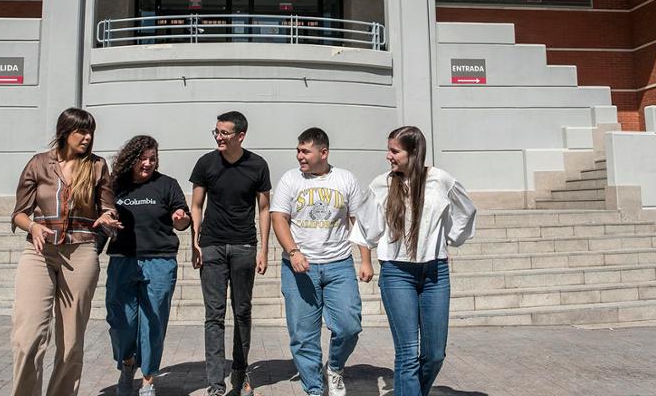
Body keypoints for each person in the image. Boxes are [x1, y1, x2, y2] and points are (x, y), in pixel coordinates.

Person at [352, 126, 477, 396]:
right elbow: (365, 227)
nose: (388, 156)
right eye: (389, 150)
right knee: (408, 353)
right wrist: (366, 260)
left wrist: (450, 237)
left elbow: (467, 209)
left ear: (414, 152)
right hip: (397, 273)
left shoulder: (440, 179)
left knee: (434, 355)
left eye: (394, 151)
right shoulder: (381, 184)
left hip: (435, 273)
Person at [10, 107, 121, 396]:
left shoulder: (97, 166)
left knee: (71, 343)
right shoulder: (38, 164)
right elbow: (19, 214)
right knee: (28, 337)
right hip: (39, 252)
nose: (87, 137)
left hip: (82, 252)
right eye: (81, 131)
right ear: (65, 133)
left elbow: (108, 208)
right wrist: (32, 227)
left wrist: (107, 219)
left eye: (90, 132)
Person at [270, 127, 373, 396]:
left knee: (350, 326)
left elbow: (356, 221)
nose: (299, 156)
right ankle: (314, 390)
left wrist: (365, 260)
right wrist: (293, 252)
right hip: (299, 268)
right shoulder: (290, 180)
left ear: (323, 152)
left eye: (305, 151)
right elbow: (278, 218)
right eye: (298, 150)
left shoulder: (345, 179)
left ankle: (335, 367)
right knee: (304, 335)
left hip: (339, 265)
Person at [190, 110, 271, 396]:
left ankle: (240, 371)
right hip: (211, 246)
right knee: (214, 314)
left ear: (240, 135)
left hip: (244, 247)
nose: (219, 137)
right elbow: (197, 205)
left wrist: (263, 249)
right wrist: (194, 241)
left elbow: (263, 209)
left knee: (242, 311)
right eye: (216, 132)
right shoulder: (206, 163)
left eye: (224, 133)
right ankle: (215, 384)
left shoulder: (258, 165)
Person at [104, 135, 191, 396]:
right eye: (143, 158)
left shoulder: (167, 185)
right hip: (122, 259)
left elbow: (183, 220)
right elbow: (101, 215)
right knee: (122, 321)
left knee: (154, 321)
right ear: (131, 159)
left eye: (153, 159)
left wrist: (180, 218)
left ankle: (148, 379)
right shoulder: (115, 186)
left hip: (160, 260)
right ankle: (127, 363)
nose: (148, 163)